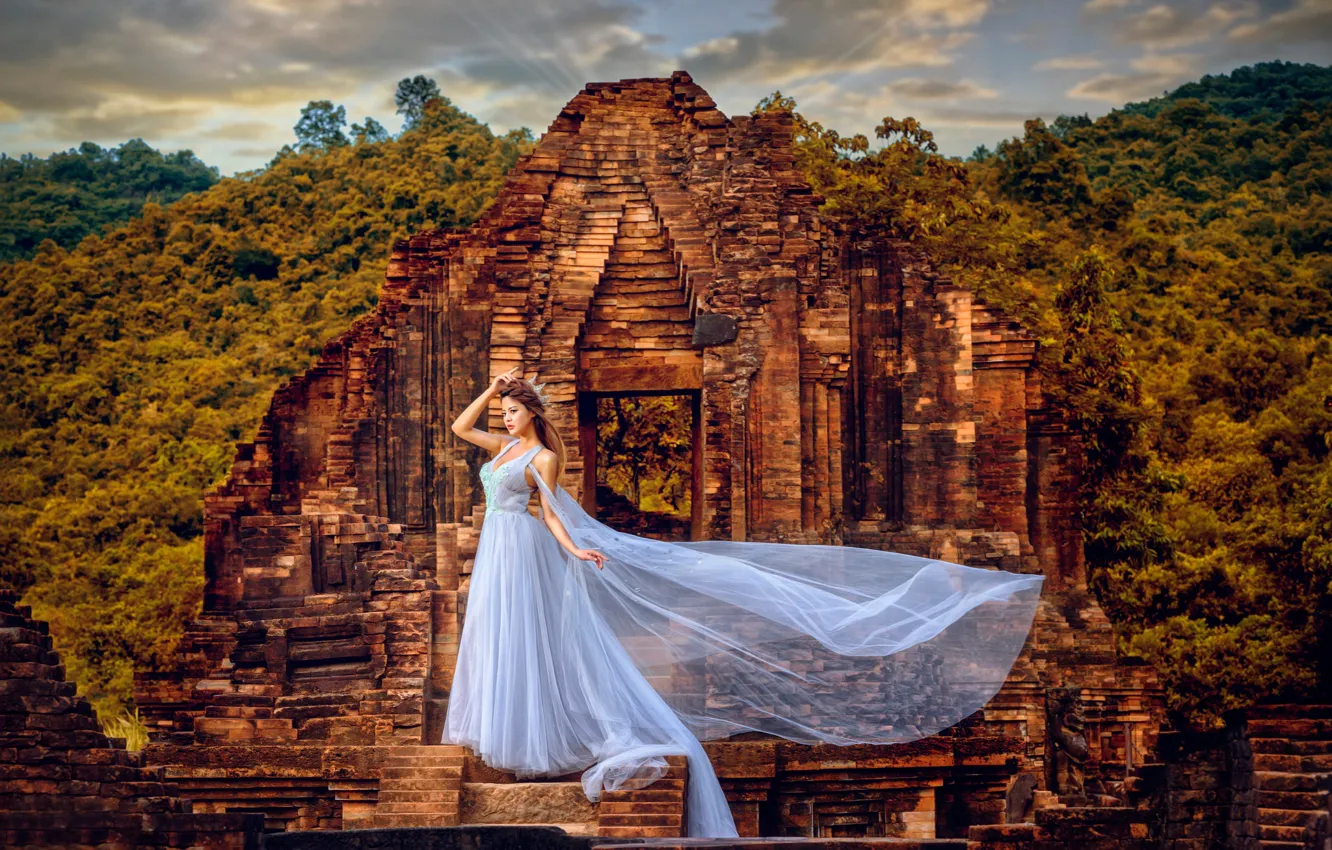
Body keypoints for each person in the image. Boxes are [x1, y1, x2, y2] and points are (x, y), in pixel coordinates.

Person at [442, 367, 1045, 838]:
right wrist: (491, 389)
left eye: (517, 410)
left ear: (534, 416)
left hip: (523, 547)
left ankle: (543, 733)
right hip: (498, 549)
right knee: (497, 632)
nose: (510, 417)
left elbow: (549, 514)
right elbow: (458, 429)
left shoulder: (542, 458)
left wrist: (576, 552)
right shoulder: (498, 447)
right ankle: (506, 732)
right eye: (508, 411)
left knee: (526, 630)